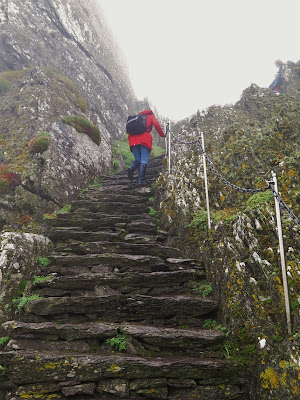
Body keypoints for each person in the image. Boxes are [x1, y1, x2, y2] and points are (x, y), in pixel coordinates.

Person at [127, 109, 165, 184]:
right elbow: (157, 125)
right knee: (143, 160)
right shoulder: (150, 116)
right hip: (145, 139)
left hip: (133, 140)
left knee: (138, 160)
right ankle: (140, 180)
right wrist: (162, 135)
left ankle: (131, 168)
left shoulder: (137, 117)